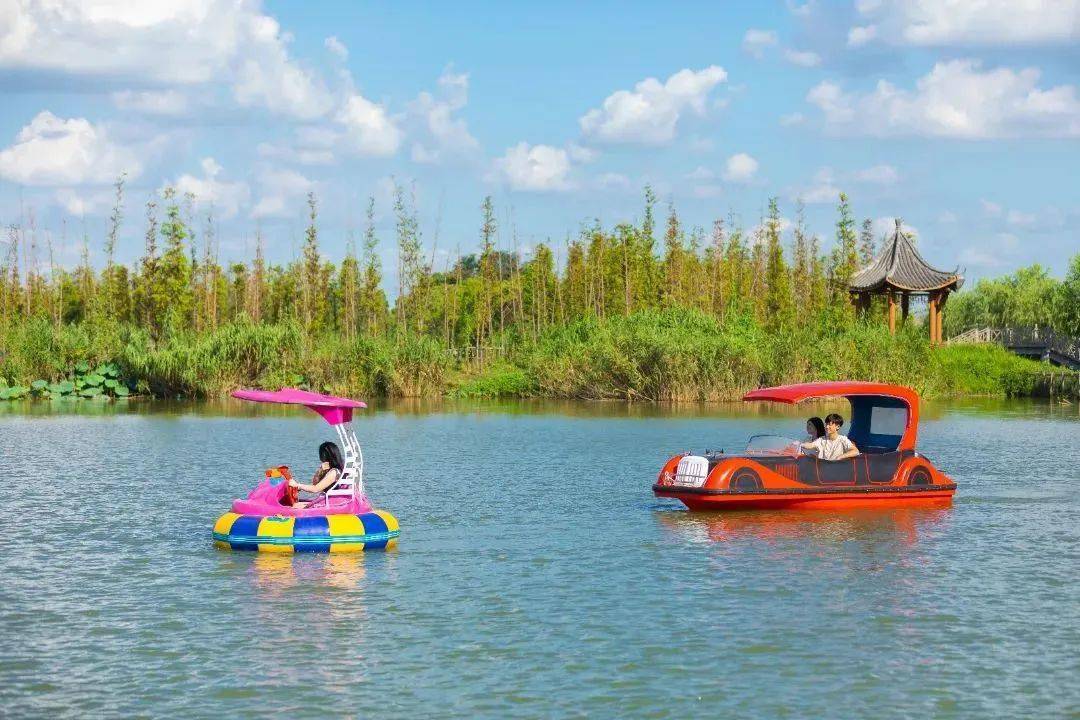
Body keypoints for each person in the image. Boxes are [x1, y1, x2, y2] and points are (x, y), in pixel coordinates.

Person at [288, 441, 344, 508]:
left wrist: (297, 485)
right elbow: (315, 483)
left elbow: (315, 489)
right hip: (326, 499)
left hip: (331, 502)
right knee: (296, 504)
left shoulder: (334, 472)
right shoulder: (330, 469)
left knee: (294, 506)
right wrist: (320, 470)